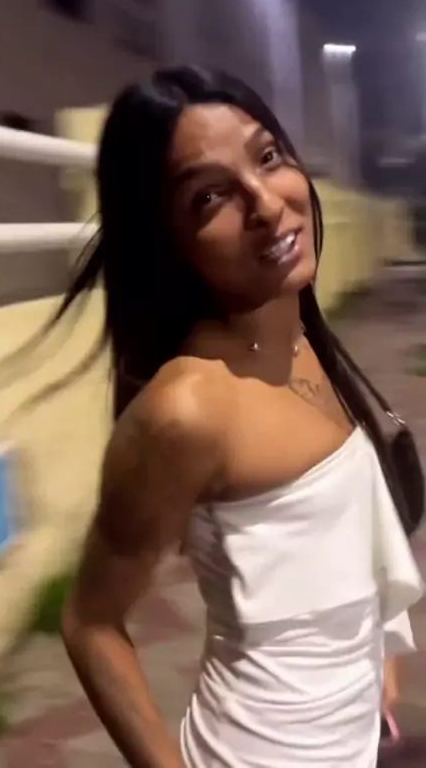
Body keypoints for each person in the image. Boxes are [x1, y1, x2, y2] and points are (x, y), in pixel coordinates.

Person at [61, 67, 423, 768]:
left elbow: (333, 543)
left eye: (268, 156)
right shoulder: (188, 408)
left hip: (348, 737)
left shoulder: (299, 337)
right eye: (209, 197)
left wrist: (376, 651)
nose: (265, 203)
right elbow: (90, 623)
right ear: (168, 240)